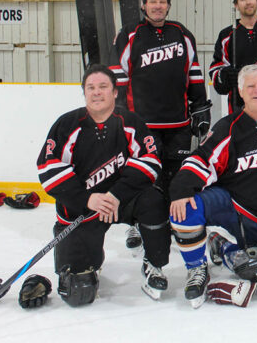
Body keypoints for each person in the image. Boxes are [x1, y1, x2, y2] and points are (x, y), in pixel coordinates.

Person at [36, 64, 171, 306]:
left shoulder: (131, 122)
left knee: (153, 200)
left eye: (103, 87)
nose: (96, 92)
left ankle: (154, 263)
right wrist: (87, 199)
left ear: (115, 92)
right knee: (78, 293)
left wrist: (116, 194)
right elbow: (48, 168)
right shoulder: (67, 124)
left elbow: (151, 161)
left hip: (122, 200)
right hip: (84, 207)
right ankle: (90, 261)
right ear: (84, 92)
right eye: (91, 87)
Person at [169, 64, 257, 308]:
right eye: (251, 86)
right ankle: (196, 268)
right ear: (240, 91)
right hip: (230, 203)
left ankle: (221, 246)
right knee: (185, 209)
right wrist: (180, 190)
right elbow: (200, 159)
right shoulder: (228, 127)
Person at [110, 0, 211, 250]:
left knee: (175, 176)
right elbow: (117, 75)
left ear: (168, 5)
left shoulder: (182, 33)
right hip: (142, 125)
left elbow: (194, 72)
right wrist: (119, 114)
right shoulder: (129, 34)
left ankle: (172, 221)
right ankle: (136, 222)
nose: (157, 6)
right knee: (143, 175)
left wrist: (200, 105)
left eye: (162, 1)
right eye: (152, 1)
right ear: (144, 5)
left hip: (178, 123)